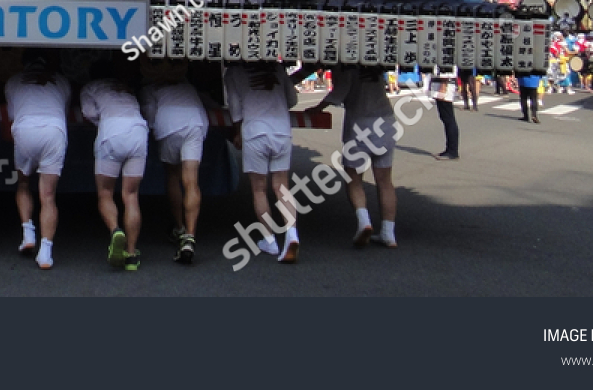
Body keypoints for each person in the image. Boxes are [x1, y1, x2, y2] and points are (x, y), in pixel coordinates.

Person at [313, 65, 399, 249]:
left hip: (360, 124)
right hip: (386, 120)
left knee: (353, 178)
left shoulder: (347, 65)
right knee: (384, 181)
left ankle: (363, 221)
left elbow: (340, 91)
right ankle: (388, 232)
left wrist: (318, 108)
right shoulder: (375, 63)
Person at [226, 61, 301, 263]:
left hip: (255, 130)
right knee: (282, 187)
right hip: (282, 130)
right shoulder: (276, 68)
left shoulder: (234, 70)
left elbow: (234, 106)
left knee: (259, 189)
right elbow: (292, 100)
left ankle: (269, 240)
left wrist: (236, 131)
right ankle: (292, 234)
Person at [80, 59, 150, 271]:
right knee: (131, 196)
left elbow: (88, 113)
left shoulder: (90, 87)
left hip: (111, 133)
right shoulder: (126, 89)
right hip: (138, 132)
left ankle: (115, 230)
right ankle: (131, 253)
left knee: (105, 193)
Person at [4, 55, 71, 270]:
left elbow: (12, 114)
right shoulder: (62, 81)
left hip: (26, 129)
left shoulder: (13, 81)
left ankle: (27, 233)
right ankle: (45, 252)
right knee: (48, 196)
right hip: (54, 131)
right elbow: (65, 108)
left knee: (23, 184)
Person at [140, 66, 210, 265]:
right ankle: (190, 235)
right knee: (191, 181)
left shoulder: (149, 89)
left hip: (169, 127)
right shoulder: (188, 87)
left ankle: (179, 227)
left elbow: (150, 116)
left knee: (172, 176)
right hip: (195, 125)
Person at [430, 66, 460, 159]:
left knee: (448, 119)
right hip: (440, 84)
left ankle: (452, 151)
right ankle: (449, 149)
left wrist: (443, 87)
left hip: (444, 86)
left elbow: (446, 70)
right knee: (445, 118)